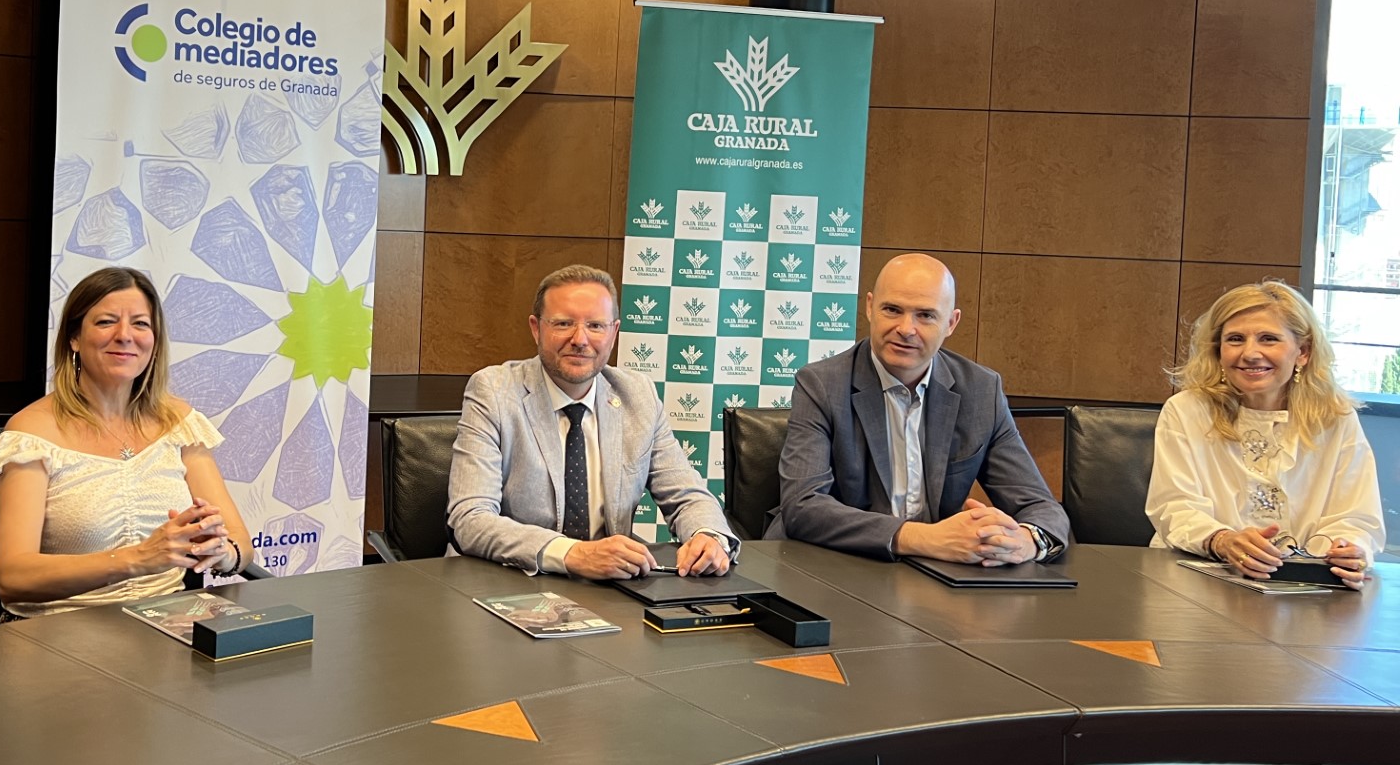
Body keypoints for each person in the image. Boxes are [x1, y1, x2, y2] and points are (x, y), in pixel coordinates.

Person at [0, 266, 255, 615]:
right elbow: (14, 577)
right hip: (61, 627)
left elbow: (240, 541)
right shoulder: (32, 433)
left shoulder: (179, 422)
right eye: (106, 322)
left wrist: (222, 553)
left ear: (154, 342)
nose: (125, 335)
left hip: (167, 620)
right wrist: (139, 558)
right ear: (74, 338)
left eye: (140, 324)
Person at [773, 252, 1070, 562]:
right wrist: (925, 538)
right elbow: (803, 506)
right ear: (870, 307)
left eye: (925, 315)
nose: (906, 328)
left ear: (951, 323)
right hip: (836, 563)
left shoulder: (981, 390)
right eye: (892, 309)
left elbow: (1040, 506)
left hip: (936, 569)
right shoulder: (821, 384)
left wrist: (1024, 541)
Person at [448, 264, 738, 579]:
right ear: (536, 328)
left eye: (596, 325)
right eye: (563, 323)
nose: (580, 339)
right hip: (511, 579)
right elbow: (470, 519)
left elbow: (687, 494)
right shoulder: (494, 391)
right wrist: (572, 553)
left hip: (610, 586)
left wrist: (708, 536)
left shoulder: (637, 395)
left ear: (614, 333)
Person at [1147, 280, 1382, 588]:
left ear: (1303, 352)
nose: (1250, 353)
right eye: (1235, 339)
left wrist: (1348, 549)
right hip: (1194, 578)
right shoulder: (1186, 410)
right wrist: (1222, 540)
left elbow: (1357, 516)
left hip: (1305, 588)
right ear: (1218, 351)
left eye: (1268, 339)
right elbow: (1175, 507)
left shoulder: (1336, 417)